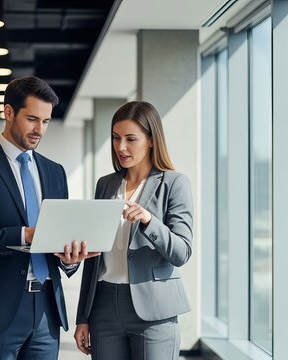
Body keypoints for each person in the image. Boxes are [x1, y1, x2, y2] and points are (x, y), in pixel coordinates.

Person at [0, 75, 98, 360]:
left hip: (46, 310)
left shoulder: (55, 172)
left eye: (45, 121)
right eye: (32, 119)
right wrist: (25, 234)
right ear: (8, 112)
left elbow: (57, 238)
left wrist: (69, 260)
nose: (39, 129)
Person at [74, 101, 193, 359]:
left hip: (154, 311)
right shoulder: (105, 185)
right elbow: (93, 260)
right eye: (116, 138)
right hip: (104, 306)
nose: (121, 147)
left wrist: (150, 220)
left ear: (151, 140)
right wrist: (83, 316)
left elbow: (182, 252)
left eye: (131, 139)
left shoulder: (174, 183)